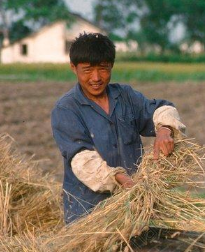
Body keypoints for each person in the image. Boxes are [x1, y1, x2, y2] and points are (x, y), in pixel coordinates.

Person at [51, 32, 186, 224]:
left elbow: (162, 109)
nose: (96, 77)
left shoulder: (125, 96)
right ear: (74, 68)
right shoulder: (66, 109)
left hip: (133, 207)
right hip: (89, 214)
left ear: (111, 66)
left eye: (103, 69)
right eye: (87, 70)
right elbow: (83, 160)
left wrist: (165, 130)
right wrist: (123, 181)